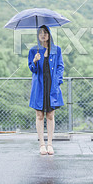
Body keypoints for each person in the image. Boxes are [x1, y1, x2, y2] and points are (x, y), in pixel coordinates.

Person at [28, 25, 64, 155]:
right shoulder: (34, 50)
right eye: (41, 33)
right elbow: (32, 69)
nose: (43, 35)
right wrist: (35, 61)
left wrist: (58, 81)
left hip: (52, 85)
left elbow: (60, 66)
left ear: (49, 35)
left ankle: (50, 144)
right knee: (39, 115)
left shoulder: (56, 50)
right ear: (38, 36)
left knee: (50, 115)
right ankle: (41, 145)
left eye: (46, 33)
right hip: (39, 86)